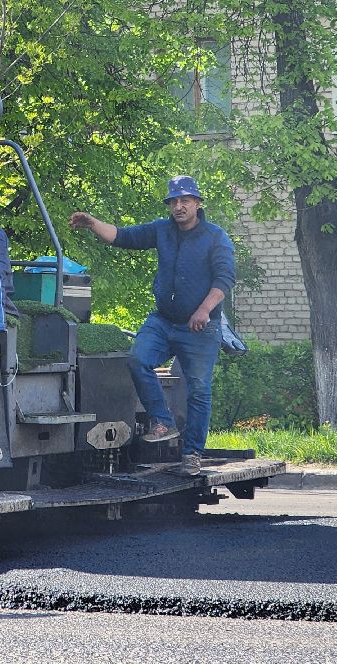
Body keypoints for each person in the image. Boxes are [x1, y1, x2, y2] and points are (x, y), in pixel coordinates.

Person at [70, 175, 236, 476]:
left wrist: (203, 309)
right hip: (164, 321)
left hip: (201, 327)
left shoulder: (215, 237)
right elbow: (123, 236)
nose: (179, 206)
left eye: (185, 200)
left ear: (197, 203)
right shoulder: (162, 231)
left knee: (198, 390)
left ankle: (192, 455)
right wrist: (93, 223)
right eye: (174, 201)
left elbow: (224, 280)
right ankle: (164, 422)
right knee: (137, 359)